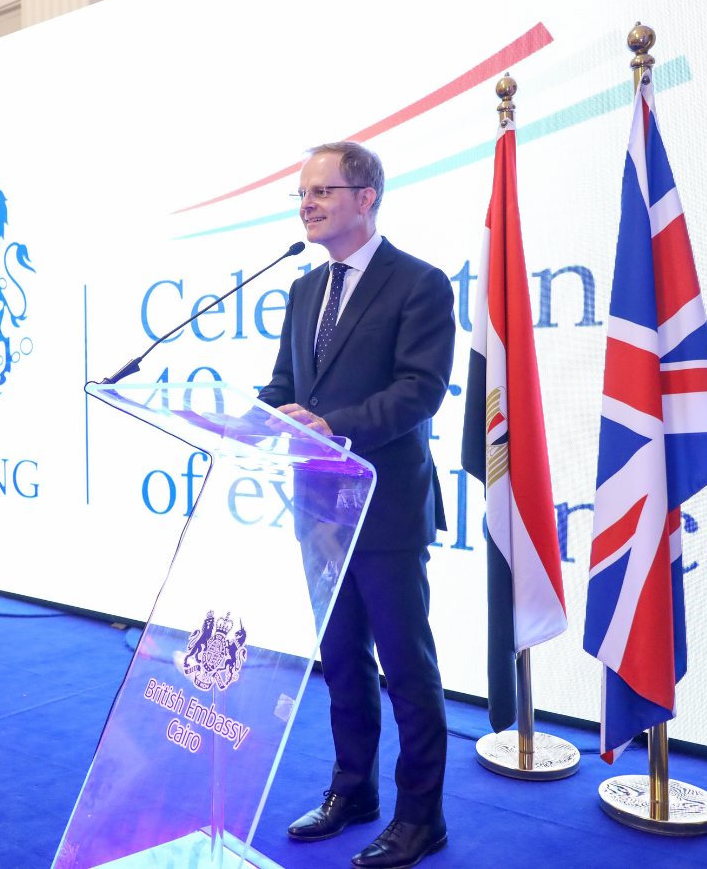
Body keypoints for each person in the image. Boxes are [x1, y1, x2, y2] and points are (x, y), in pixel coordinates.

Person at [257, 142, 455, 869]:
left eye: (322, 191)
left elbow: (420, 390)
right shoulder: (305, 289)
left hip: (386, 508)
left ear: (365, 197)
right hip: (320, 507)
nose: (307, 205)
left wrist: (332, 426)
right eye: (302, 194)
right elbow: (286, 385)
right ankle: (353, 791)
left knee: (405, 667)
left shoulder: (419, 283)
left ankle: (421, 817)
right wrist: (258, 414)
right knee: (341, 660)